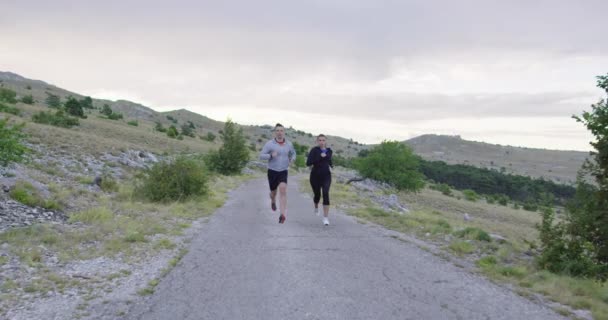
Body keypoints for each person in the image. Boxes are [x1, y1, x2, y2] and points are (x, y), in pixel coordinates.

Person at [259, 123, 296, 224]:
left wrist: (292, 159)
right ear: (275, 132)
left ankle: (282, 214)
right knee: (273, 192)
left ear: (284, 132)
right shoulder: (269, 144)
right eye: (277, 131)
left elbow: (293, 153)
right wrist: (270, 155)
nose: (279, 132)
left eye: (281, 131)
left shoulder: (289, 144)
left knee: (283, 190)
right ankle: (273, 200)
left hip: (283, 171)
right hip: (272, 171)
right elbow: (261, 156)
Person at [306, 134, 333, 226]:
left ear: (326, 141)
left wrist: (332, 166)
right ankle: (316, 206)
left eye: (323, 140)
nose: (322, 142)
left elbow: (329, 160)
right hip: (315, 176)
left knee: (325, 193)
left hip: (326, 176)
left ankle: (325, 218)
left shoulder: (329, 151)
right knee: (317, 195)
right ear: (317, 141)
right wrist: (319, 157)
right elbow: (308, 163)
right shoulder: (314, 150)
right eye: (320, 140)